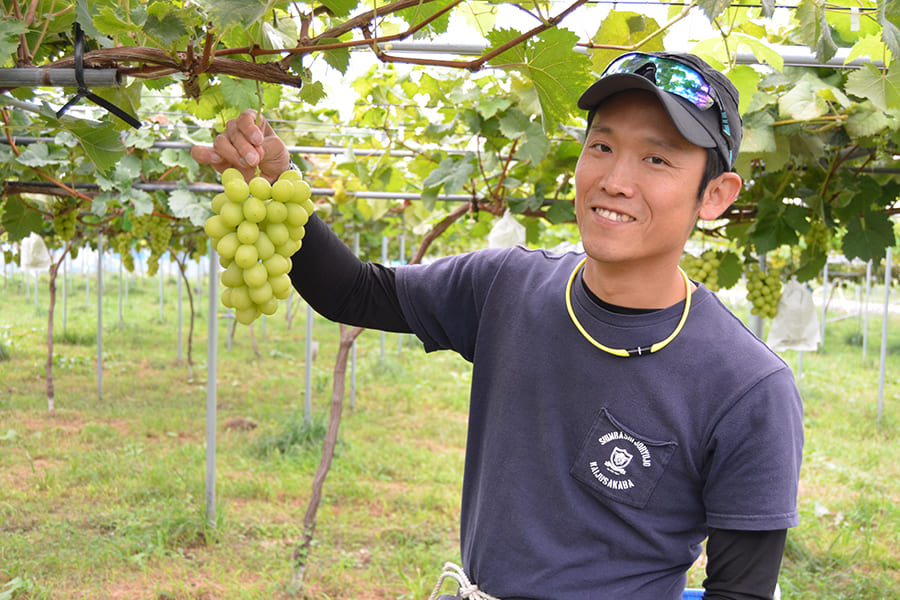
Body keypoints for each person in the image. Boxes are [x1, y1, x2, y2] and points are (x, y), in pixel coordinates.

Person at [191, 51, 804, 600]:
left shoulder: (748, 388)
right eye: (602, 146)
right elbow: (357, 292)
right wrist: (273, 181)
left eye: (656, 158)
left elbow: (742, 593)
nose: (615, 180)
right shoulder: (507, 286)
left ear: (716, 194)